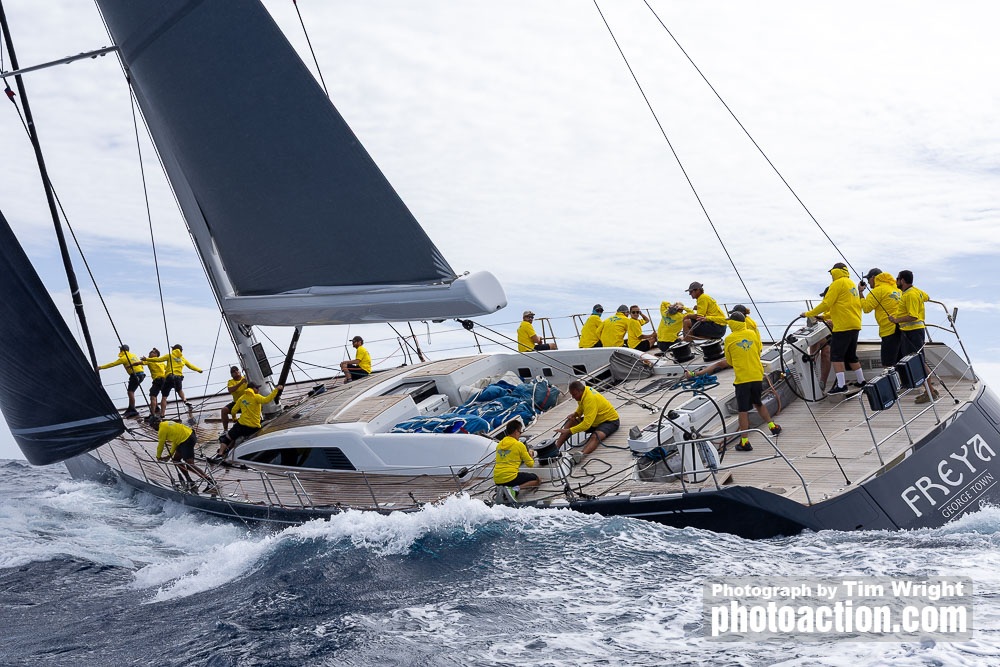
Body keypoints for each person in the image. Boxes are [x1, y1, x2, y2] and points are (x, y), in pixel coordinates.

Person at [685, 311, 781, 451]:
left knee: (743, 410)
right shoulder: (752, 334)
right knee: (758, 403)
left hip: (743, 379)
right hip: (756, 376)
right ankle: (773, 427)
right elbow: (758, 350)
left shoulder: (730, 339)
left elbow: (729, 361)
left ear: (733, 323)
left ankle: (744, 442)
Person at [801, 263, 864, 394]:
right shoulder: (851, 284)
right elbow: (842, 306)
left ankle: (841, 386)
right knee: (851, 356)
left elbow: (826, 303)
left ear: (835, 271)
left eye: (831, 273)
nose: (831, 276)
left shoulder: (837, 284)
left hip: (842, 327)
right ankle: (862, 381)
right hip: (855, 324)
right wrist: (823, 317)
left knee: (836, 356)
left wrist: (809, 314)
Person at [890, 269, 938, 404]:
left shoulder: (909, 295)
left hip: (912, 333)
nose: (896, 281)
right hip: (915, 332)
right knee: (919, 361)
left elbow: (913, 316)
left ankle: (929, 392)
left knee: (918, 363)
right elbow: (927, 296)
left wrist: (896, 320)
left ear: (903, 280)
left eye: (897, 279)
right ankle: (931, 390)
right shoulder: (916, 291)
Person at [553, 380, 620, 458]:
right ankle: (555, 449)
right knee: (570, 422)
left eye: (574, 394)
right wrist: (576, 414)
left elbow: (586, 425)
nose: (573, 397)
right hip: (595, 419)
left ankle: (580, 456)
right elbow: (581, 405)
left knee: (595, 436)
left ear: (579, 391)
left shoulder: (590, 399)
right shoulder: (585, 391)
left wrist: (569, 431)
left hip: (609, 421)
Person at [216, 381, 284, 458]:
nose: (258, 389)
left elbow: (233, 410)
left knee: (228, 437)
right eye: (257, 388)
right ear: (252, 389)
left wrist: (234, 418)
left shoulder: (242, 398)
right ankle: (231, 452)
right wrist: (276, 390)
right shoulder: (256, 397)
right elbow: (267, 399)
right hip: (253, 427)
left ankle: (220, 454)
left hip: (241, 425)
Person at [152, 416, 215, 493]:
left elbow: (160, 445)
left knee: (190, 465)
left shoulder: (162, 430)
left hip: (187, 440)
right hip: (188, 436)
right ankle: (189, 480)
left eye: (152, 426)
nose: (152, 428)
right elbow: (176, 441)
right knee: (176, 460)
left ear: (155, 424)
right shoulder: (167, 423)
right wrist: (170, 455)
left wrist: (158, 457)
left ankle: (210, 481)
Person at [858, 267, 903, 367]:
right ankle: (905, 383)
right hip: (902, 329)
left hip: (889, 330)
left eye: (868, 279)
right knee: (901, 362)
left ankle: (894, 382)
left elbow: (866, 308)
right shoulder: (896, 289)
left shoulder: (877, 291)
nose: (868, 283)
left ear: (873, 277)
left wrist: (860, 292)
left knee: (888, 364)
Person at [143, 344, 203, 416]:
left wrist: (146, 359)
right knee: (179, 390)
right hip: (179, 378)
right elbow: (190, 366)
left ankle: (162, 414)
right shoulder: (182, 359)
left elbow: (158, 360)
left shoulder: (170, 355)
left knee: (164, 397)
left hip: (170, 377)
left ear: (173, 349)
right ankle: (185, 401)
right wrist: (199, 370)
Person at [493, 419, 540, 501]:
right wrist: (531, 455)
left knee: (513, 477)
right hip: (511, 477)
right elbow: (530, 464)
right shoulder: (519, 445)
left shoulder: (499, 444)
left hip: (497, 479)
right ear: (515, 432)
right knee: (537, 479)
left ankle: (505, 489)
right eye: (520, 432)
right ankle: (514, 489)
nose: (520, 434)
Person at [96, 344, 145, 418]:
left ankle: (132, 409)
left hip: (135, 375)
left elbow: (113, 364)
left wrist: (101, 367)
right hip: (142, 375)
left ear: (122, 350)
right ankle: (130, 408)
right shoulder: (133, 355)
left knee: (130, 392)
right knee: (131, 391)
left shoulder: (124, 358)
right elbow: (140, 364)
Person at [221, 366, 248, 431]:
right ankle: (225, 430)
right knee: (224, 410)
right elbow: (230, 390)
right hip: (237, 403)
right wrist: (241, 383)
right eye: (233, 371)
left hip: (247, 402)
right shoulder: (231, 382)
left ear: (239, 371)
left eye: (236, 370)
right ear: (231, 375)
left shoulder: (246, 378)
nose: (235, 372)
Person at [145, 348, 166, 418]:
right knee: (163, 397)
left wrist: (132, 365)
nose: (150, 353)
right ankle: (161, 412)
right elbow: (167, 368)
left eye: (152, 352)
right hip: (164, 380)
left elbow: (141, 363)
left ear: (156, 355)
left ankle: (152, 413)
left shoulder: (149, 361)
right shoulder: (161, 362)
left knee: (153, 396)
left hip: (157, 380)